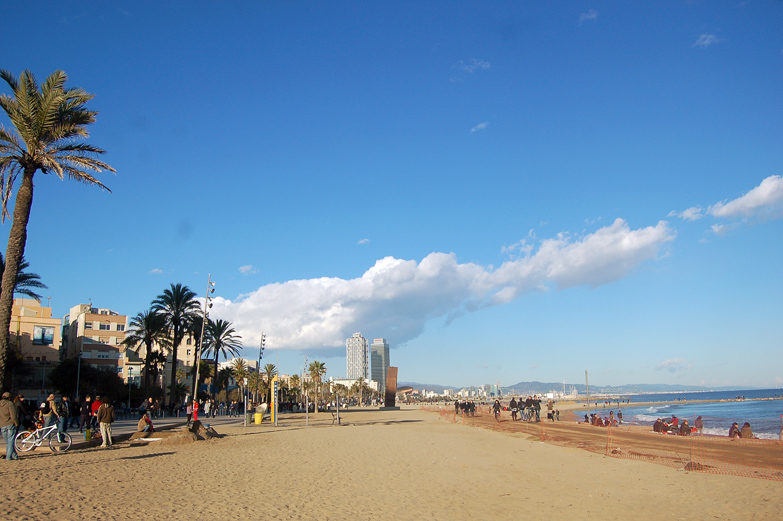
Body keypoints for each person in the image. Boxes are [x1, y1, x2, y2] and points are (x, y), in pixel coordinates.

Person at [0, 391, 20, 461]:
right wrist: (16, 423)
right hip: (10, 423)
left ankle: (14, 455)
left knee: (9, 441)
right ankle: (8, 457)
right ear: (9, 398)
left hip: (2, 424)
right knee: (11, 441)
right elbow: (13, 415)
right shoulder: (10, 404)